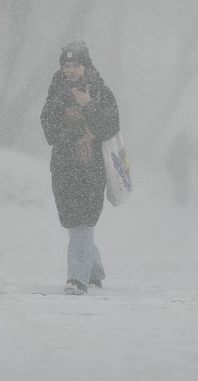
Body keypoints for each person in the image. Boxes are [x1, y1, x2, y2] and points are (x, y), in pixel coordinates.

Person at [40, 41, 120, 295]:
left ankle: (77, 278)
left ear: (86, 65)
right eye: (67, 65)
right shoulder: (56, 91)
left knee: (82, 220)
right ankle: (93, 270)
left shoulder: (100, 91)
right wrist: (68, 125)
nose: (71, 70)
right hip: (64, 166)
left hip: (91, 167)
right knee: (75, 221)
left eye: (76, 65)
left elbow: (110, 127)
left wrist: (88, 106)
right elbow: (49, 129)